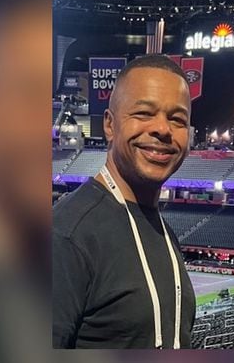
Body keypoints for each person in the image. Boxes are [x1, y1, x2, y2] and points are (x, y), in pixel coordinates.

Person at [53, 55, 196, 349]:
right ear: (109, 124)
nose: (163, 129)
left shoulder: (163, 232)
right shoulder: (66, 235)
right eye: (144, 113)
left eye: (177, 119)